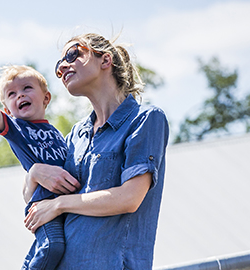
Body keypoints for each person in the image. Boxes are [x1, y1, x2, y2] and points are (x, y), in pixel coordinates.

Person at [23, 33, 169, 270]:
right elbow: (37, 202)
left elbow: (129, 198)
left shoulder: (145, 120)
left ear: (105, 60)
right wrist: (34, 173)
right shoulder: (76, 134)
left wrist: (60, 204)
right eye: (58, 67)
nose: (63, 67)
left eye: (73, 54)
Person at [0, 45, 78, 270]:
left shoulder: (56, 131)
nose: (21, 95)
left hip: (65, 203)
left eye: (27, 88)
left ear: (46, 98)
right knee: (52, 246)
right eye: (12, 94)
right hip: (42, 204)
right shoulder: (16, 128)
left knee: (65, 248)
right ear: (7, 109)